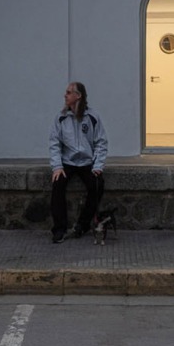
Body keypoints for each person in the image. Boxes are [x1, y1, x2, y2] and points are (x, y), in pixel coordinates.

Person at [48, 81, 106, 243]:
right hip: (68, 162)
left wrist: (98, 166)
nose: (65, 95)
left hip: (87, 162)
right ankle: (59, 229)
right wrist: (57, 166)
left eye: (68, 93)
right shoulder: (61, 117)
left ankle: (82, 225)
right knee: (58, 184)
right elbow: (54, 143)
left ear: (78, 96)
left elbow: (101, 143)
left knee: (97, 185)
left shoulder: (92, 117)